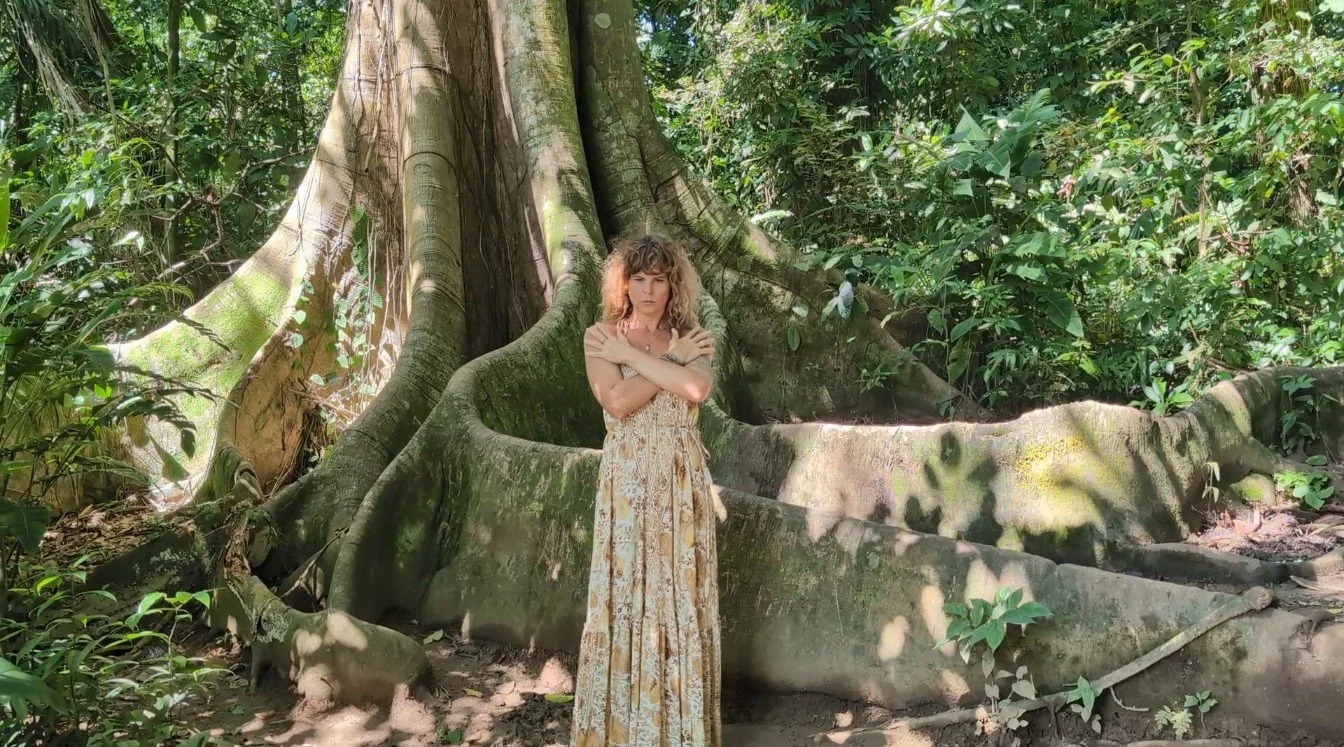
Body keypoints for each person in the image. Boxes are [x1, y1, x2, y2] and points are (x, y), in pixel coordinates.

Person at [571, 233, 723, 746]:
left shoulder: (693, 337)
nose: (650, 290)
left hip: (681, 485)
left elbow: (698, 389)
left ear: (672, 284)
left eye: (659, 279)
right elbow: (616, 402)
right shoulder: (600, 337)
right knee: (628, 599)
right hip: (628, 485)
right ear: (624, 284)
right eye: (639, 279)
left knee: (677, 598)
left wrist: (674, 358)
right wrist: (669, 367)